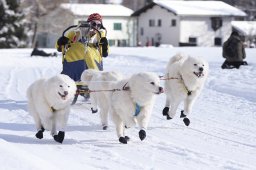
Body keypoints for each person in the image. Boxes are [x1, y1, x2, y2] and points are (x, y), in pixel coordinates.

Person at [56, 13, 109, 82]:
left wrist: (104, 45)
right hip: (75, 57)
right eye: (93, 24)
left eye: (99, 25)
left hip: (93, 58)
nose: (96, 27)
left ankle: (95, 78)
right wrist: (62, 41)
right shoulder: (77, 32)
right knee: (83, 48)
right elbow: (59, 47)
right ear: (89, 23)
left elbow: (105, 53)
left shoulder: (100, 36)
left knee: (88, 51)